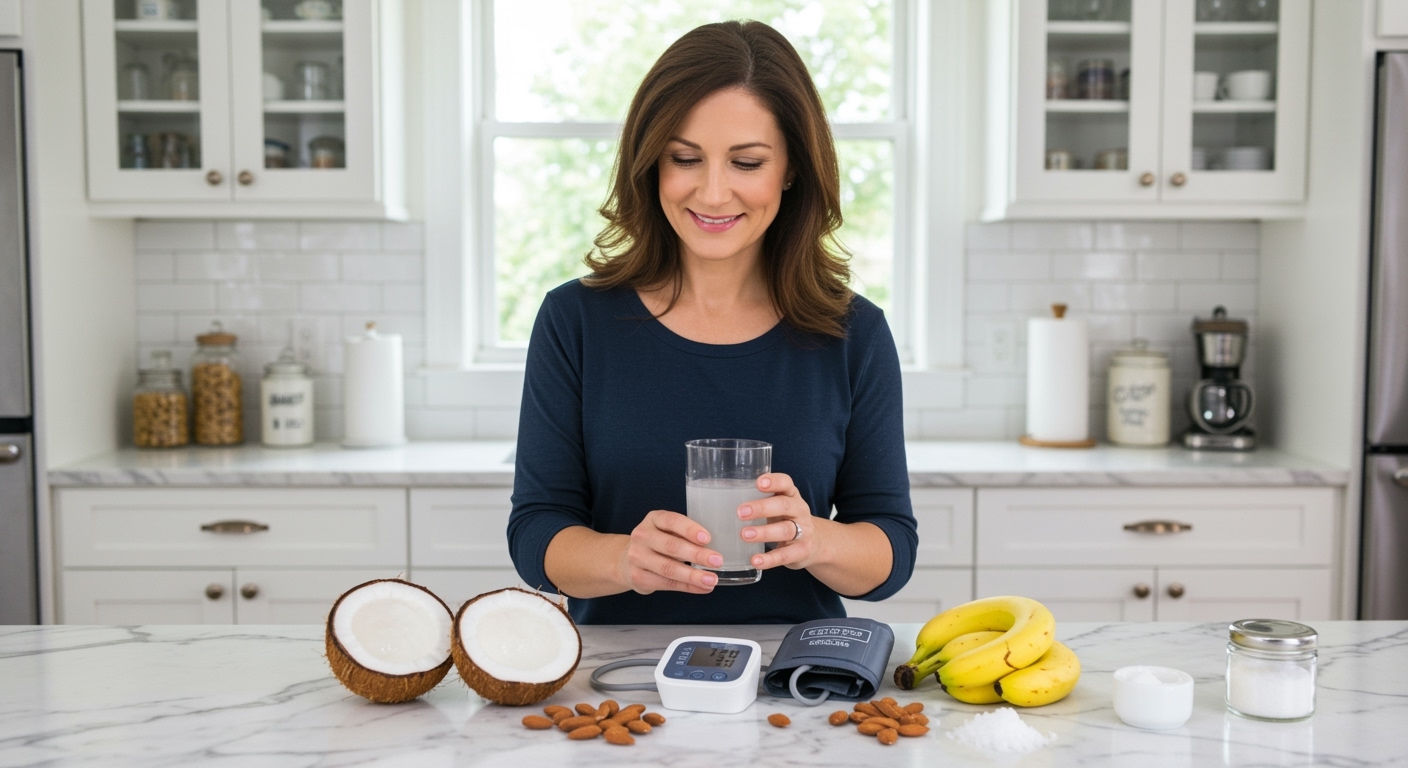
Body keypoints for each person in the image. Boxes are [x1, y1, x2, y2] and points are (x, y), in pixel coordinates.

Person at [507, 19, 915, 625]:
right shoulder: (576, 321)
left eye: (747, 162)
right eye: (685, 158)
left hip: (794, 682)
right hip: (617, 688)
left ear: (792, 170)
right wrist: (624, 559)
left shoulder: (853, 334)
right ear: (652, 165)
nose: (715, 192)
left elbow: (892, 552)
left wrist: (814, 539)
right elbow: (536, 533)